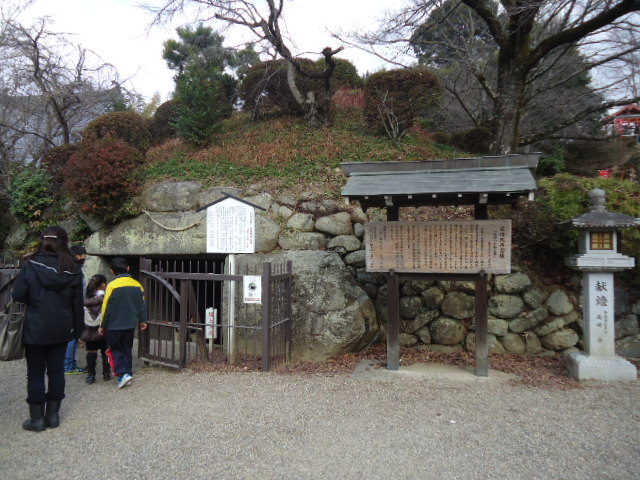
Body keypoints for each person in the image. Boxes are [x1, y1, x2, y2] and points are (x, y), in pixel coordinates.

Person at [12, 226, 84, 432]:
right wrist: (78, 330)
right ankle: (53, 416)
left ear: (43, 241)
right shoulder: (73, 268)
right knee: (56, 371)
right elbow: (77, 304)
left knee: (35, 373)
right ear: (64, 242)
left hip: (36, 326)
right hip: (62, 327)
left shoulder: (31, 264)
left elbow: (18, 295)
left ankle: (37, 419)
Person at [98, 257, 148, 389]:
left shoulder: (112, 285)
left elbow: (106, 307)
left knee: (116, 350)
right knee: (127, 349)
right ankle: (128, 373)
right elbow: (142, 304)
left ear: (112, 271)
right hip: (130, 324)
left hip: (114, 325)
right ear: (128, 268)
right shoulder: (137, 284)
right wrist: (143, 320)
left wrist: (103, 325)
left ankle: (122, 375)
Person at [81, 274, 110, 384]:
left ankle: (91, 375)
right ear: (103, 285)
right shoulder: (106, 297)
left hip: (90, 330)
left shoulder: (86, 298)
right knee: (105, 352)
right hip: (103, 329)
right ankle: (106, 374)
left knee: (91, 352)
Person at [63, 244, 87, 375]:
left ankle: (67, 364)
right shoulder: (75, 272)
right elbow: (80, 292)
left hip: (64, 308)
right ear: (78, 256)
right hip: (73, 308)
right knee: (71, 338)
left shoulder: (63, 268)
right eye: (84, 256)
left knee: (67, 337)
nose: (85, 258)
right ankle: (69, 365)